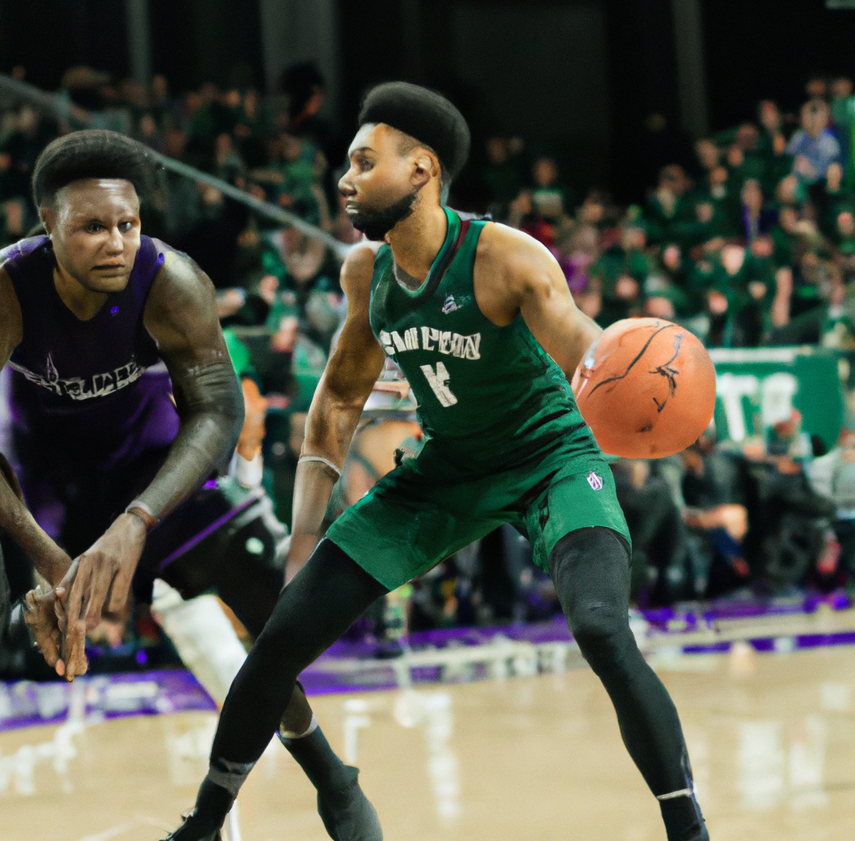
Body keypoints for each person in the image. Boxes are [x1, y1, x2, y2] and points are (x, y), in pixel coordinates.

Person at [169, 83, 710, 841]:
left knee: (599, 628)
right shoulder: (368, 273)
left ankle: (688, 828)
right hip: (449, 467)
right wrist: (301, 544)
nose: (344, 179)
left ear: (421, 169)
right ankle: (204, 824)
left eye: (363, 162)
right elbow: (334, 406)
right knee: (279, 640)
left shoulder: (505, 257)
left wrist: (645, 374)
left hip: (549, 458)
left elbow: (587, 351)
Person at [0, 130, 380, 841]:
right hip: (37, 472)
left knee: (267, 599)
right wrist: (52, 564)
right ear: (47, 227)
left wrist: (137, 520)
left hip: (141, 462)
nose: (115, 242)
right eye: (91, 227)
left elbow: (219, 409)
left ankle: (330, 772)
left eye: (127, 224)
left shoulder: (171, 280)